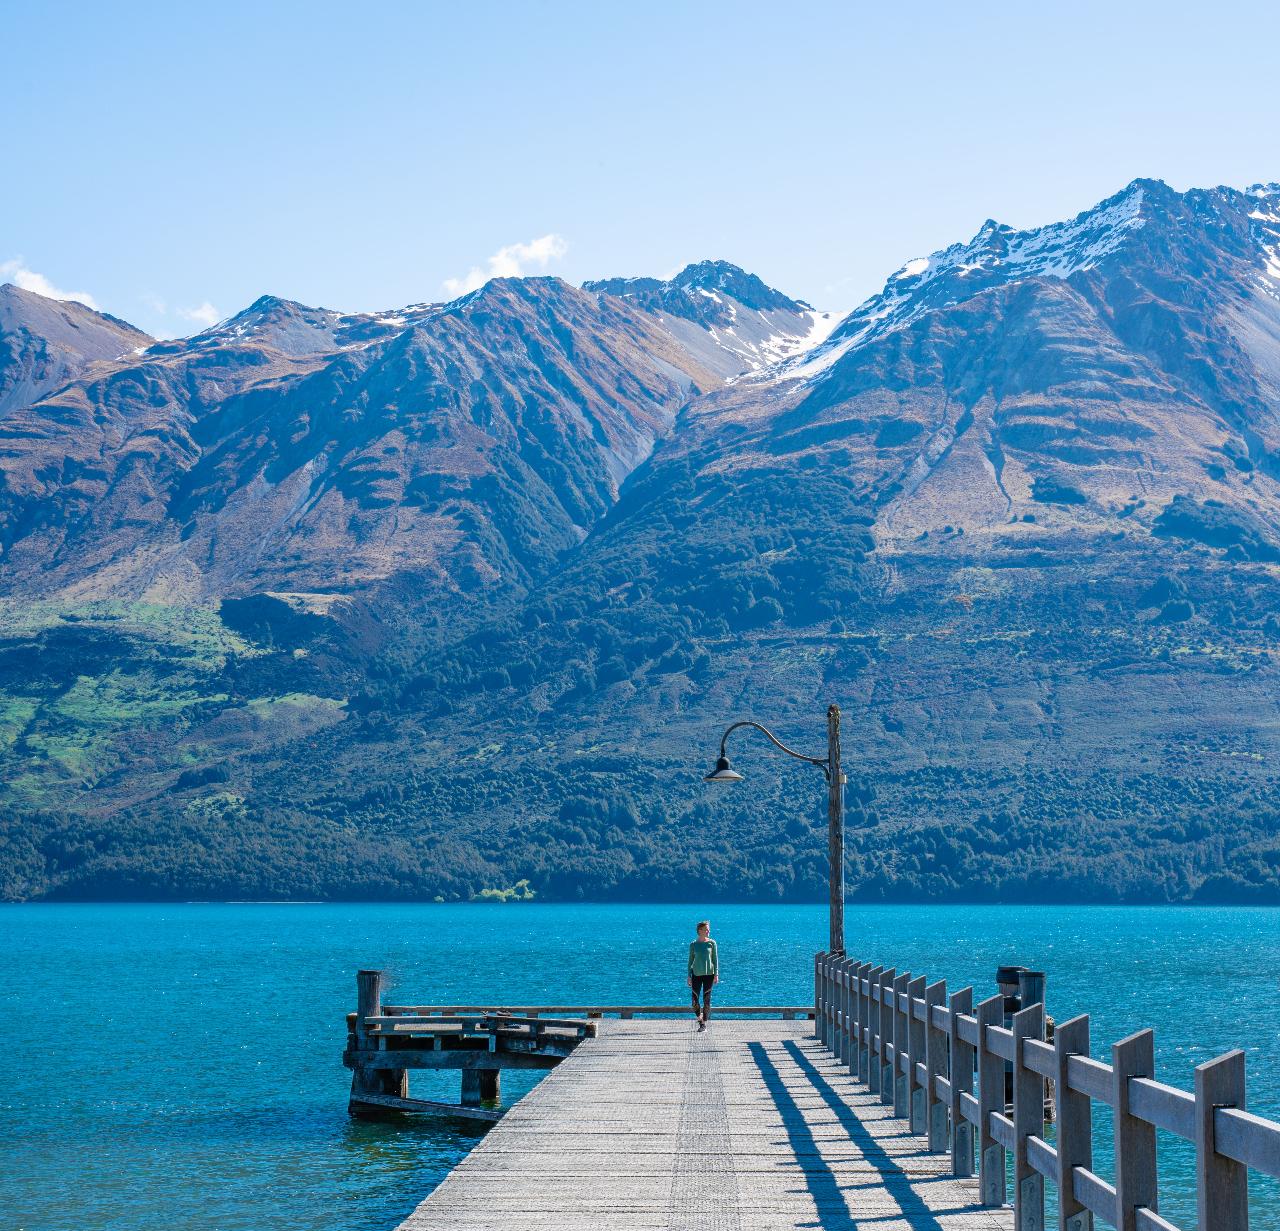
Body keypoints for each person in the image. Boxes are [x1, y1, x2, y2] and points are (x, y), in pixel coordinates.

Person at [687, 919, 719, 1031]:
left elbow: (715, 959)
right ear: (700, 930)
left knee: (707, 1000)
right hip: (696, 974)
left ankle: (704, 1023)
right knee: (694, 1001)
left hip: (709, 975)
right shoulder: (693, 944)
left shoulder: (712, 943)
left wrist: (716, 974)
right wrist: (688, 976)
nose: (708, 931)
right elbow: (690, 961)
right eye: (706, 929)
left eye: (709, 929)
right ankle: (700, 1019)